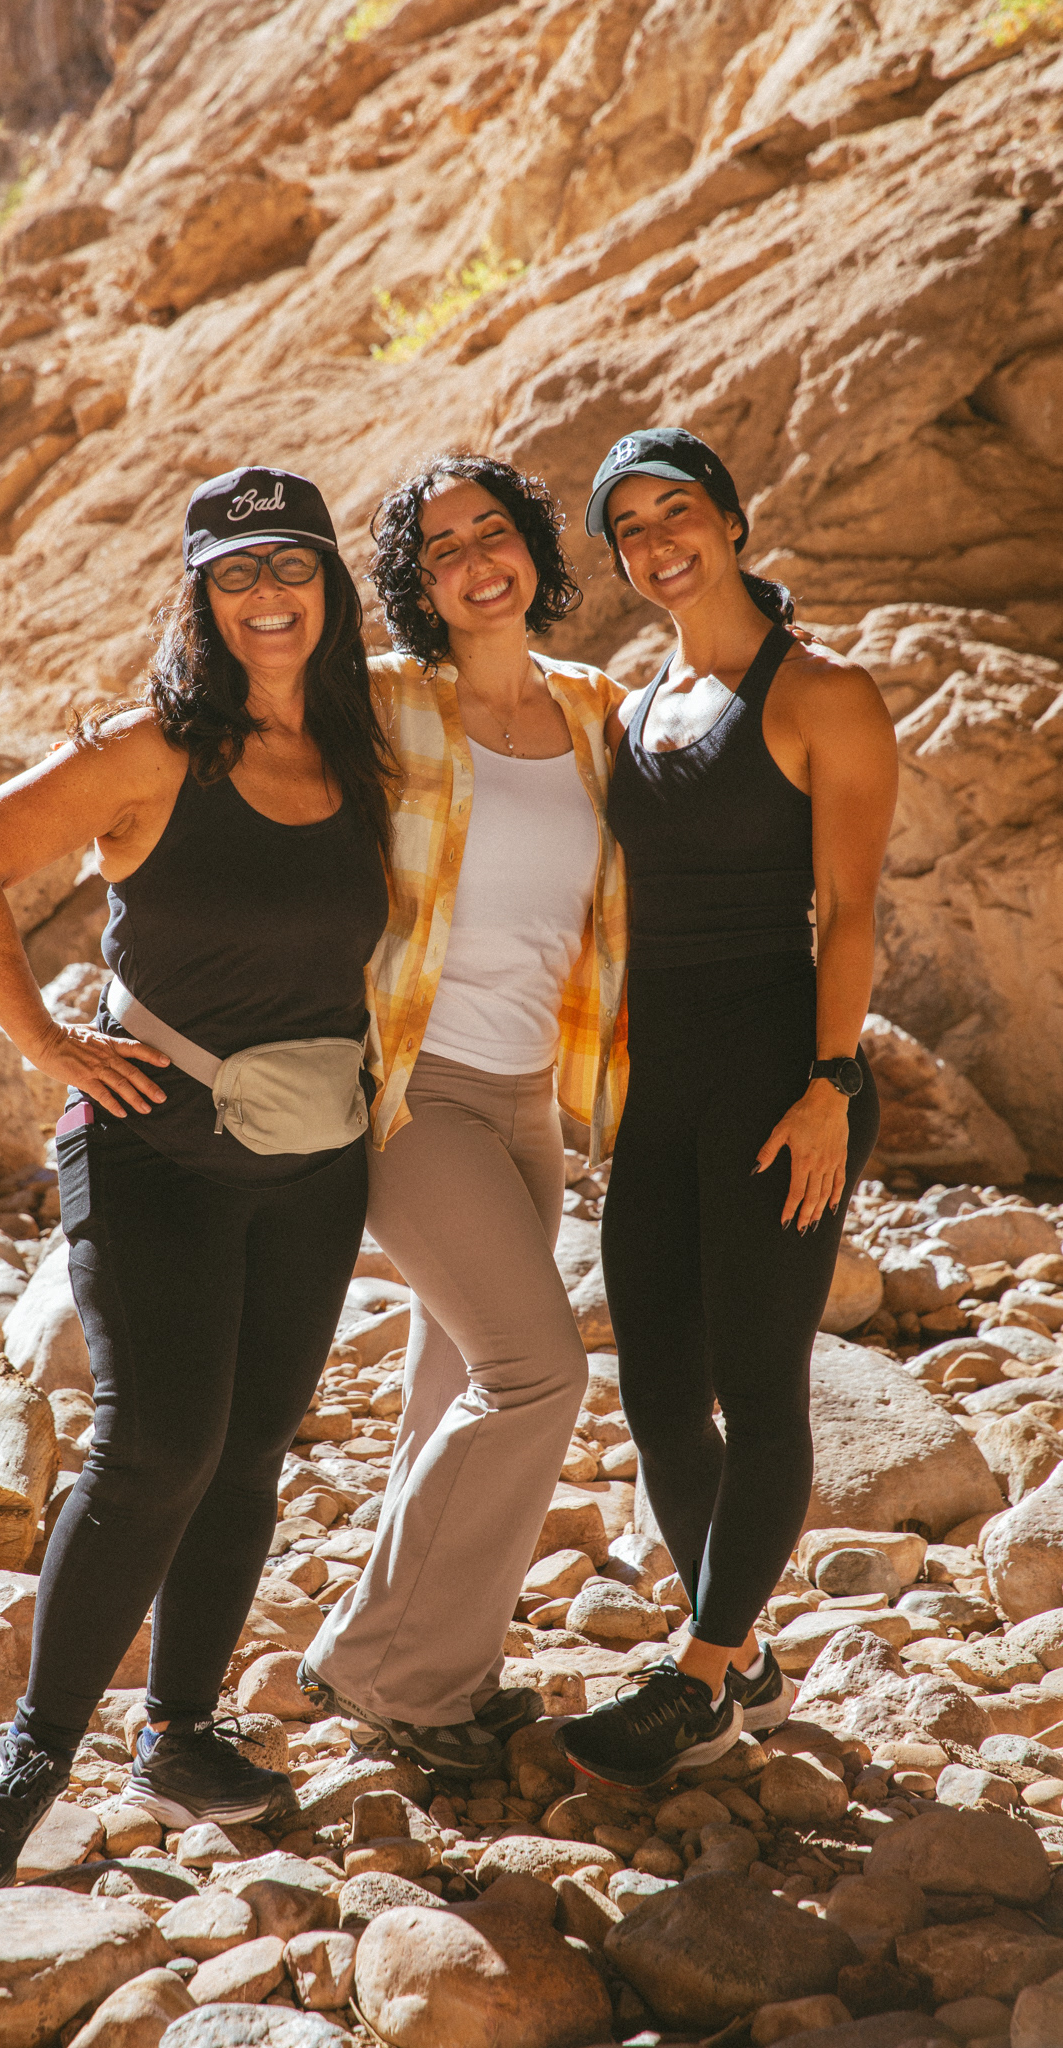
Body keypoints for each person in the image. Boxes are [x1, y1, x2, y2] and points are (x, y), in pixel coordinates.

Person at [0, 468, 392, 1885]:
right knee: (156, 1448)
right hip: (152, 1150)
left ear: (328, 586)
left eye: (289, 567)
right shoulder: (151, 751)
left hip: (314, 1155)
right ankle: (29, 1757)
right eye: (235, 574)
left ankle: (181, 1735)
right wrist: (47, 1042)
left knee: (249, 1449)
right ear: (199, 598)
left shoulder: (363, 750)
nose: (266, 596)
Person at [555, 428, 896, 1789]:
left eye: (676, 510)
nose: (656, 543)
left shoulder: (822, 694)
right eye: (628, 528)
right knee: (651, 1388)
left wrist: (830, 1085)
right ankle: (741, 1649)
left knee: (756, 1386)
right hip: (661, 1085)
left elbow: (851, 913)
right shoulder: (635, 708)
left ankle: (699, 1679)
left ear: (733, 521)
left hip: (778, 1079)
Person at [298, 453, 631, 1775]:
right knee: (536, 1373)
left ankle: (443, 1662)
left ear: (532, 551)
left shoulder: (599, 710)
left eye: (493, 532)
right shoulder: (383, 703)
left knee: (451, 1383)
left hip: (529, 1098)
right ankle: (381, 1664)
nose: (475, 561)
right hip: (411, 1091)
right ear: (416, 586)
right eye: (441, 549)